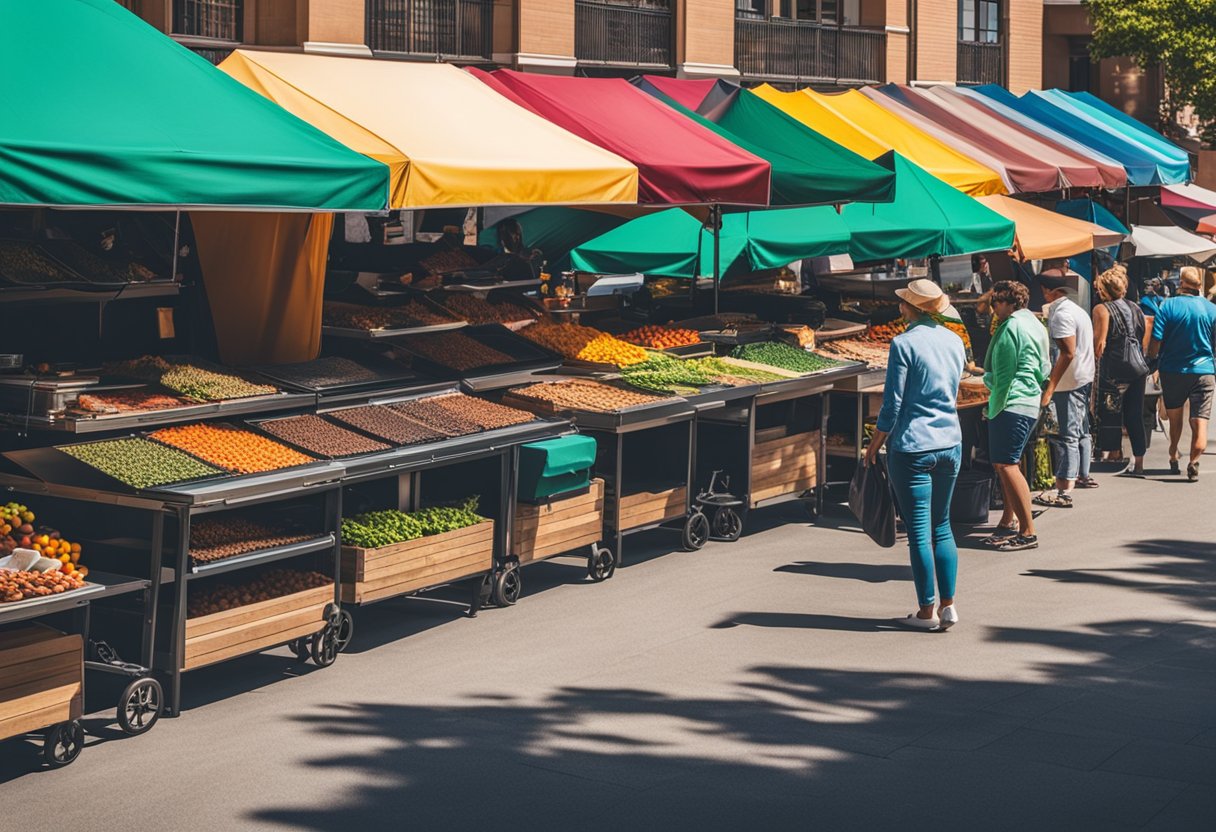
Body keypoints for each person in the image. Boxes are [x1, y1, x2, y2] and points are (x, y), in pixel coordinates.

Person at [865, 279, 965, 631]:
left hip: (913, 445)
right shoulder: (954, 341)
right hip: (950, 441)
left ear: (913, 308)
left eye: (904, 303)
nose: (900, 307)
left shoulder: (903, 344)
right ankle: (949, 605)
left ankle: (927, 611)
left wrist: (874, 445)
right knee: (943, 525)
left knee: (919, 531)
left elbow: (892, 405)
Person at [982, 280, 1050, 551]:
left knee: (1007, 465)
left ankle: (1027, 531)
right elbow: (1044, 365)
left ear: (1007, 302)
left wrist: (986, 382)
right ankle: (1008, 520)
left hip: (1011, 401)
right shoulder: (1035, 323)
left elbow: (1003, 372)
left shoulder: (1010, 325)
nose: (994, 309)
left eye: (995, 303)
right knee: (1007, 463)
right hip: (1029, 399)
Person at [1147, 266, 1216, 481]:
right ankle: (1194, 461)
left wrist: (1152, 357)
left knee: (1175, 419)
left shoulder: (1167, 306)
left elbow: (1156, 340)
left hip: (1172, 370)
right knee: (1199, 421)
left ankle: (1173, 454)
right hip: (1204, 371)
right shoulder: (1211, 309)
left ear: (1181, 285)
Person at [1036, 274, 1096, 506]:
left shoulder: (1061, 314)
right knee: (1082, 429)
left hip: (1070, 381)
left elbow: (1067, 352)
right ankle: (1082, 473)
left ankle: (1064, 490)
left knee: (1068, 434)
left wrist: (1051, 386)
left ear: (1046, 291)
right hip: (1083, 376)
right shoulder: (1077, 309)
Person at [1092, 266, 1149, 476]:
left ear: (1104, 290)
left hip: (1114, 368)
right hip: (1138, 368)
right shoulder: (1136, 307)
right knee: (1134, 415)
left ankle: (1113, 454)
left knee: (1109, 411)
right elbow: (1142, 335)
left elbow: (1100, 345)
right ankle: (1139, 462)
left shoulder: (1102, 309)